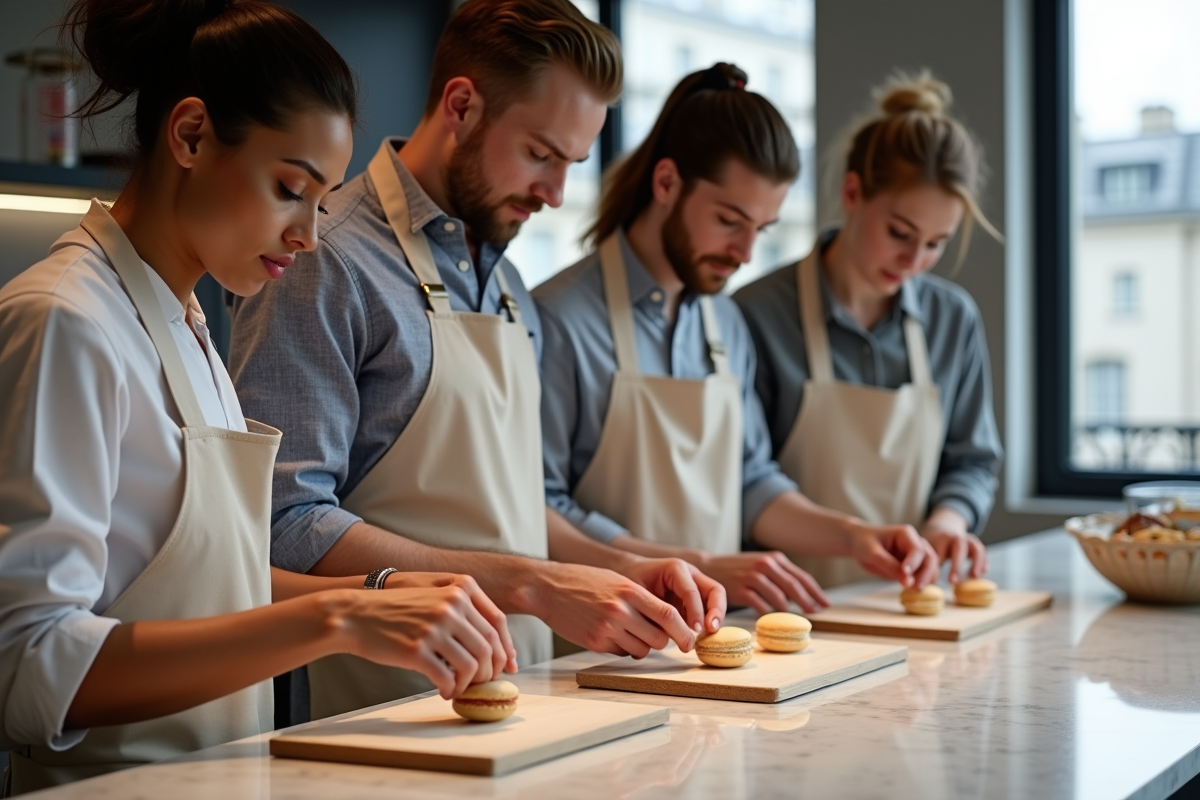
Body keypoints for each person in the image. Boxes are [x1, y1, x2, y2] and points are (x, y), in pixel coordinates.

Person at [0, 1, 516, 792]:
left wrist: (373, 592)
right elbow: (31, 666)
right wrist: (335, 619)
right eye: (290, 188)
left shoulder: (184, 321)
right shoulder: (66, 321)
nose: (310, 233)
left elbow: (202, 583)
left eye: (323, 199)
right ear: (192, 136)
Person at [228, 0, 726, 721]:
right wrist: (534, 584)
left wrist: (616, 567)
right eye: (540, 154)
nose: (556, 194)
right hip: (376, 710)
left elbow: (514, 505)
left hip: (523, 699)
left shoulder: (510, 287)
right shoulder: (324, 259)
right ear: (460, 105)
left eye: (571, 165)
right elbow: (285, 521)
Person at [534, 63, 940, 618]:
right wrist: (694, 563)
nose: (746, 252)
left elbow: (751, 481)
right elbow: (538, 507)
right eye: (730, 220)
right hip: (595, 648)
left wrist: (853, 536)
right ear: (667, 183)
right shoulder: (559, 319)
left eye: (762, 230)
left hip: (709, 639)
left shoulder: (726, 324)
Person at [732, 73, 1003, 588]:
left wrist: (949, 520)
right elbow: (745, 481)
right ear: (853, 192)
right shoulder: (756, 314)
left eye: (935, 243)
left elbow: (972, 461)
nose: (914, 260)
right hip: (784, 608)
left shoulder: (954, 319)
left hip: (906, 599)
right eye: (900, 233)